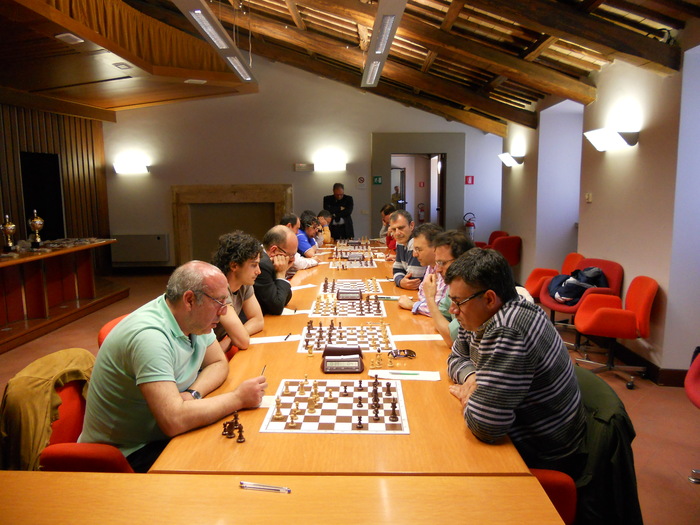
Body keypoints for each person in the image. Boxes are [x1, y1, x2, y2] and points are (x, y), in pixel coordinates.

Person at [79, 261, 268, 472]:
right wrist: (237, 399)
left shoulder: (193, 320)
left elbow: (218, 363)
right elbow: (174, 421)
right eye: (219, 302)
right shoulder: (150, 337)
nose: (224, 312)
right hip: (129, 454)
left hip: (163, 434)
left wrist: (193, 393)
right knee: (229, 463)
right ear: (189, 300)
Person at [444, 248, 586, 477]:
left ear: (489, 299)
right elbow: (456, 357)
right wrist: (472, 377)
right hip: (518, 430)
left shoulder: (508, 330)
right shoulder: (480, 315)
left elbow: (485, 425)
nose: (453, 310)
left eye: (458, 302)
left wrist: (471, 395)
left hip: (544, 453)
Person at [210, 231, 265, 356]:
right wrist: (236, 336)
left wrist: (230, 339)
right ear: (234, 265)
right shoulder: (218, 289)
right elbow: (242, 341)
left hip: (219, 348)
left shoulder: (244, 284)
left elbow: (258, 320)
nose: (259, 271)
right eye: (254, 265)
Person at [422, 230, 474, 346]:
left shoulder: (471, 289)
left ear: (461, 260)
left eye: (442, 263)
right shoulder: (453, 285)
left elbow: (452, 339)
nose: (438, 269)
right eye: (437, 263)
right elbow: (440, 321)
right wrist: (444, 327)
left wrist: (429, 298)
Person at [398, 223, 444, 316]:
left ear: (435, 248)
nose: (414, 254)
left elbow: (440, 310)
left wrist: (412, 305)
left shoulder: (445, 269)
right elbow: (422, 296)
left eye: (419, 249)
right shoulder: (431, 266)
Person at [253, 225, 297, 315]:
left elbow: (285, 298)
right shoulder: (262, 264)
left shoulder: (266, 259)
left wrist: (282, 271)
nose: (293, 259)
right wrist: (281, 273)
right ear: (273, 250)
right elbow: (276, 307)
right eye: (291, 255)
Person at [390, 209, 425, 289]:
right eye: (394, 229)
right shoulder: (400, 241)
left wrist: (399, 280)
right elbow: (397, 269)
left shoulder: (415, 242)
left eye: (401, 228)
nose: (397, 233)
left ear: (411, 226)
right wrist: (400, 281)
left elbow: (413, 281)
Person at [280, 212, 318, 279]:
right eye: (297, 228)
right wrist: (314, 260)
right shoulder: (283, 239)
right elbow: (298, 263)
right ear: (289, 226)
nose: (297, 232)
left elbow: (296, 258)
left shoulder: (284, 237)